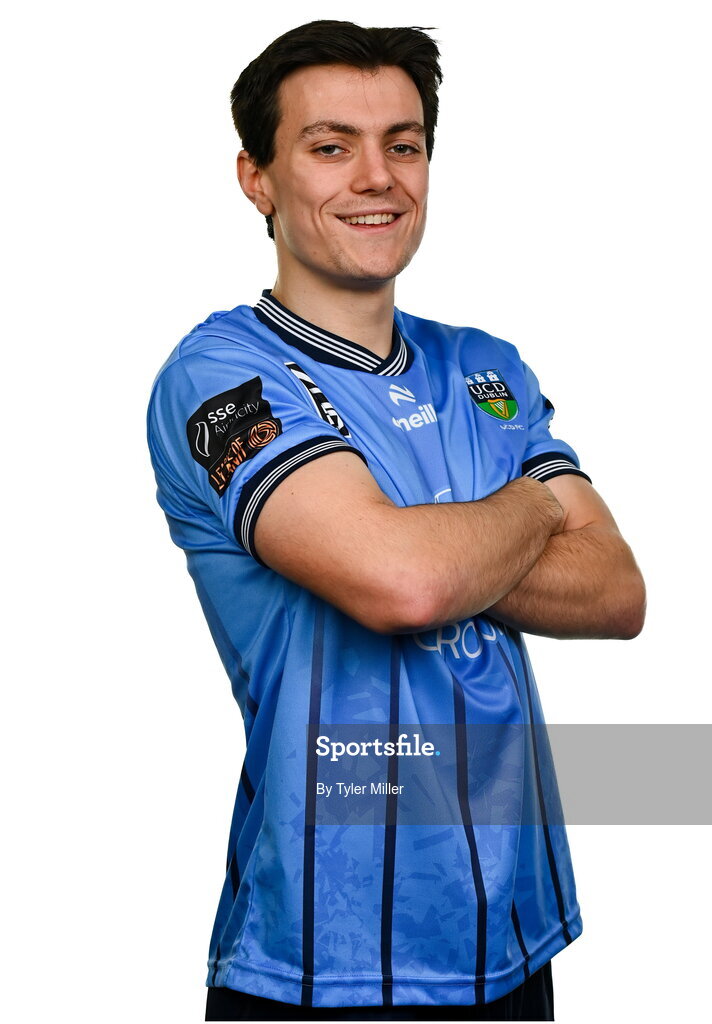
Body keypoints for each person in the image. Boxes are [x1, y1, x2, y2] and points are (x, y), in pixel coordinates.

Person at [146, 20, 646, 1022]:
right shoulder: (221, 377)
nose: (378, 176)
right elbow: (402, 584)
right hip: (321, 955)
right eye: (330, 146)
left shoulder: (484, 366)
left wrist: (419, 534)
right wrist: (535, 502)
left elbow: (619, 591)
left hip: (511, 924)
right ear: (256, 177)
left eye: (404, 143)